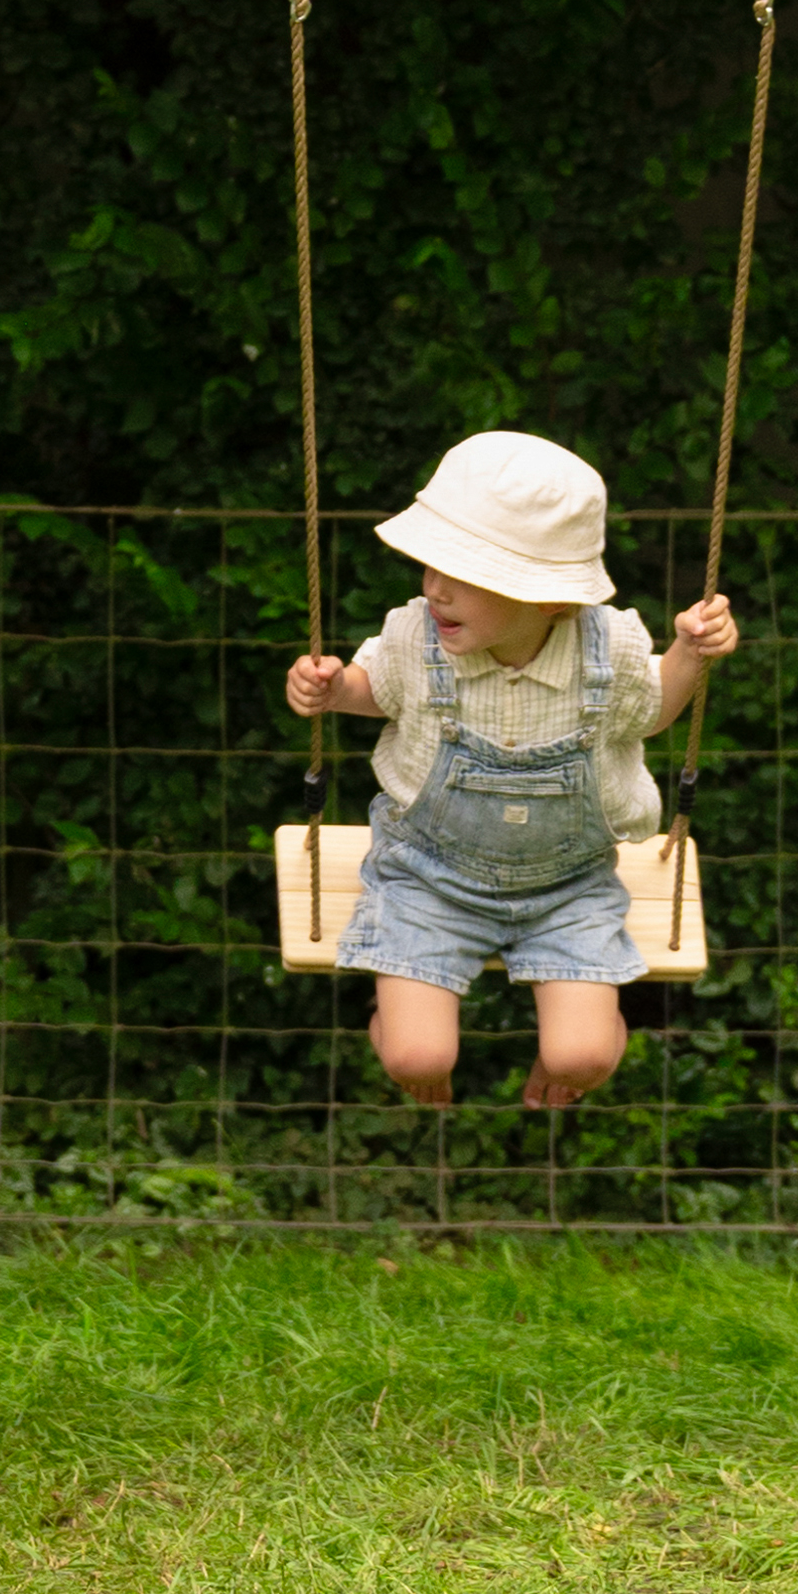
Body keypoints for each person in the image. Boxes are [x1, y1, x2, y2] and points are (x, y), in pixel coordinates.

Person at [284, 431, 738, 1110]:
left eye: (463, 575)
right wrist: (333, 689)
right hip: (428, 878)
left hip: (569, 886)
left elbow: (651, 712)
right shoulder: (415, 639)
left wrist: (688, 655)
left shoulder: (606, 649)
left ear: (551, 597)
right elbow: (374, 688)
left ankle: (573, 1070)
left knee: (579, 1056)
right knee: (417, 1054)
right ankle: (409, 1055)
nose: (434, 588)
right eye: (431, 566)